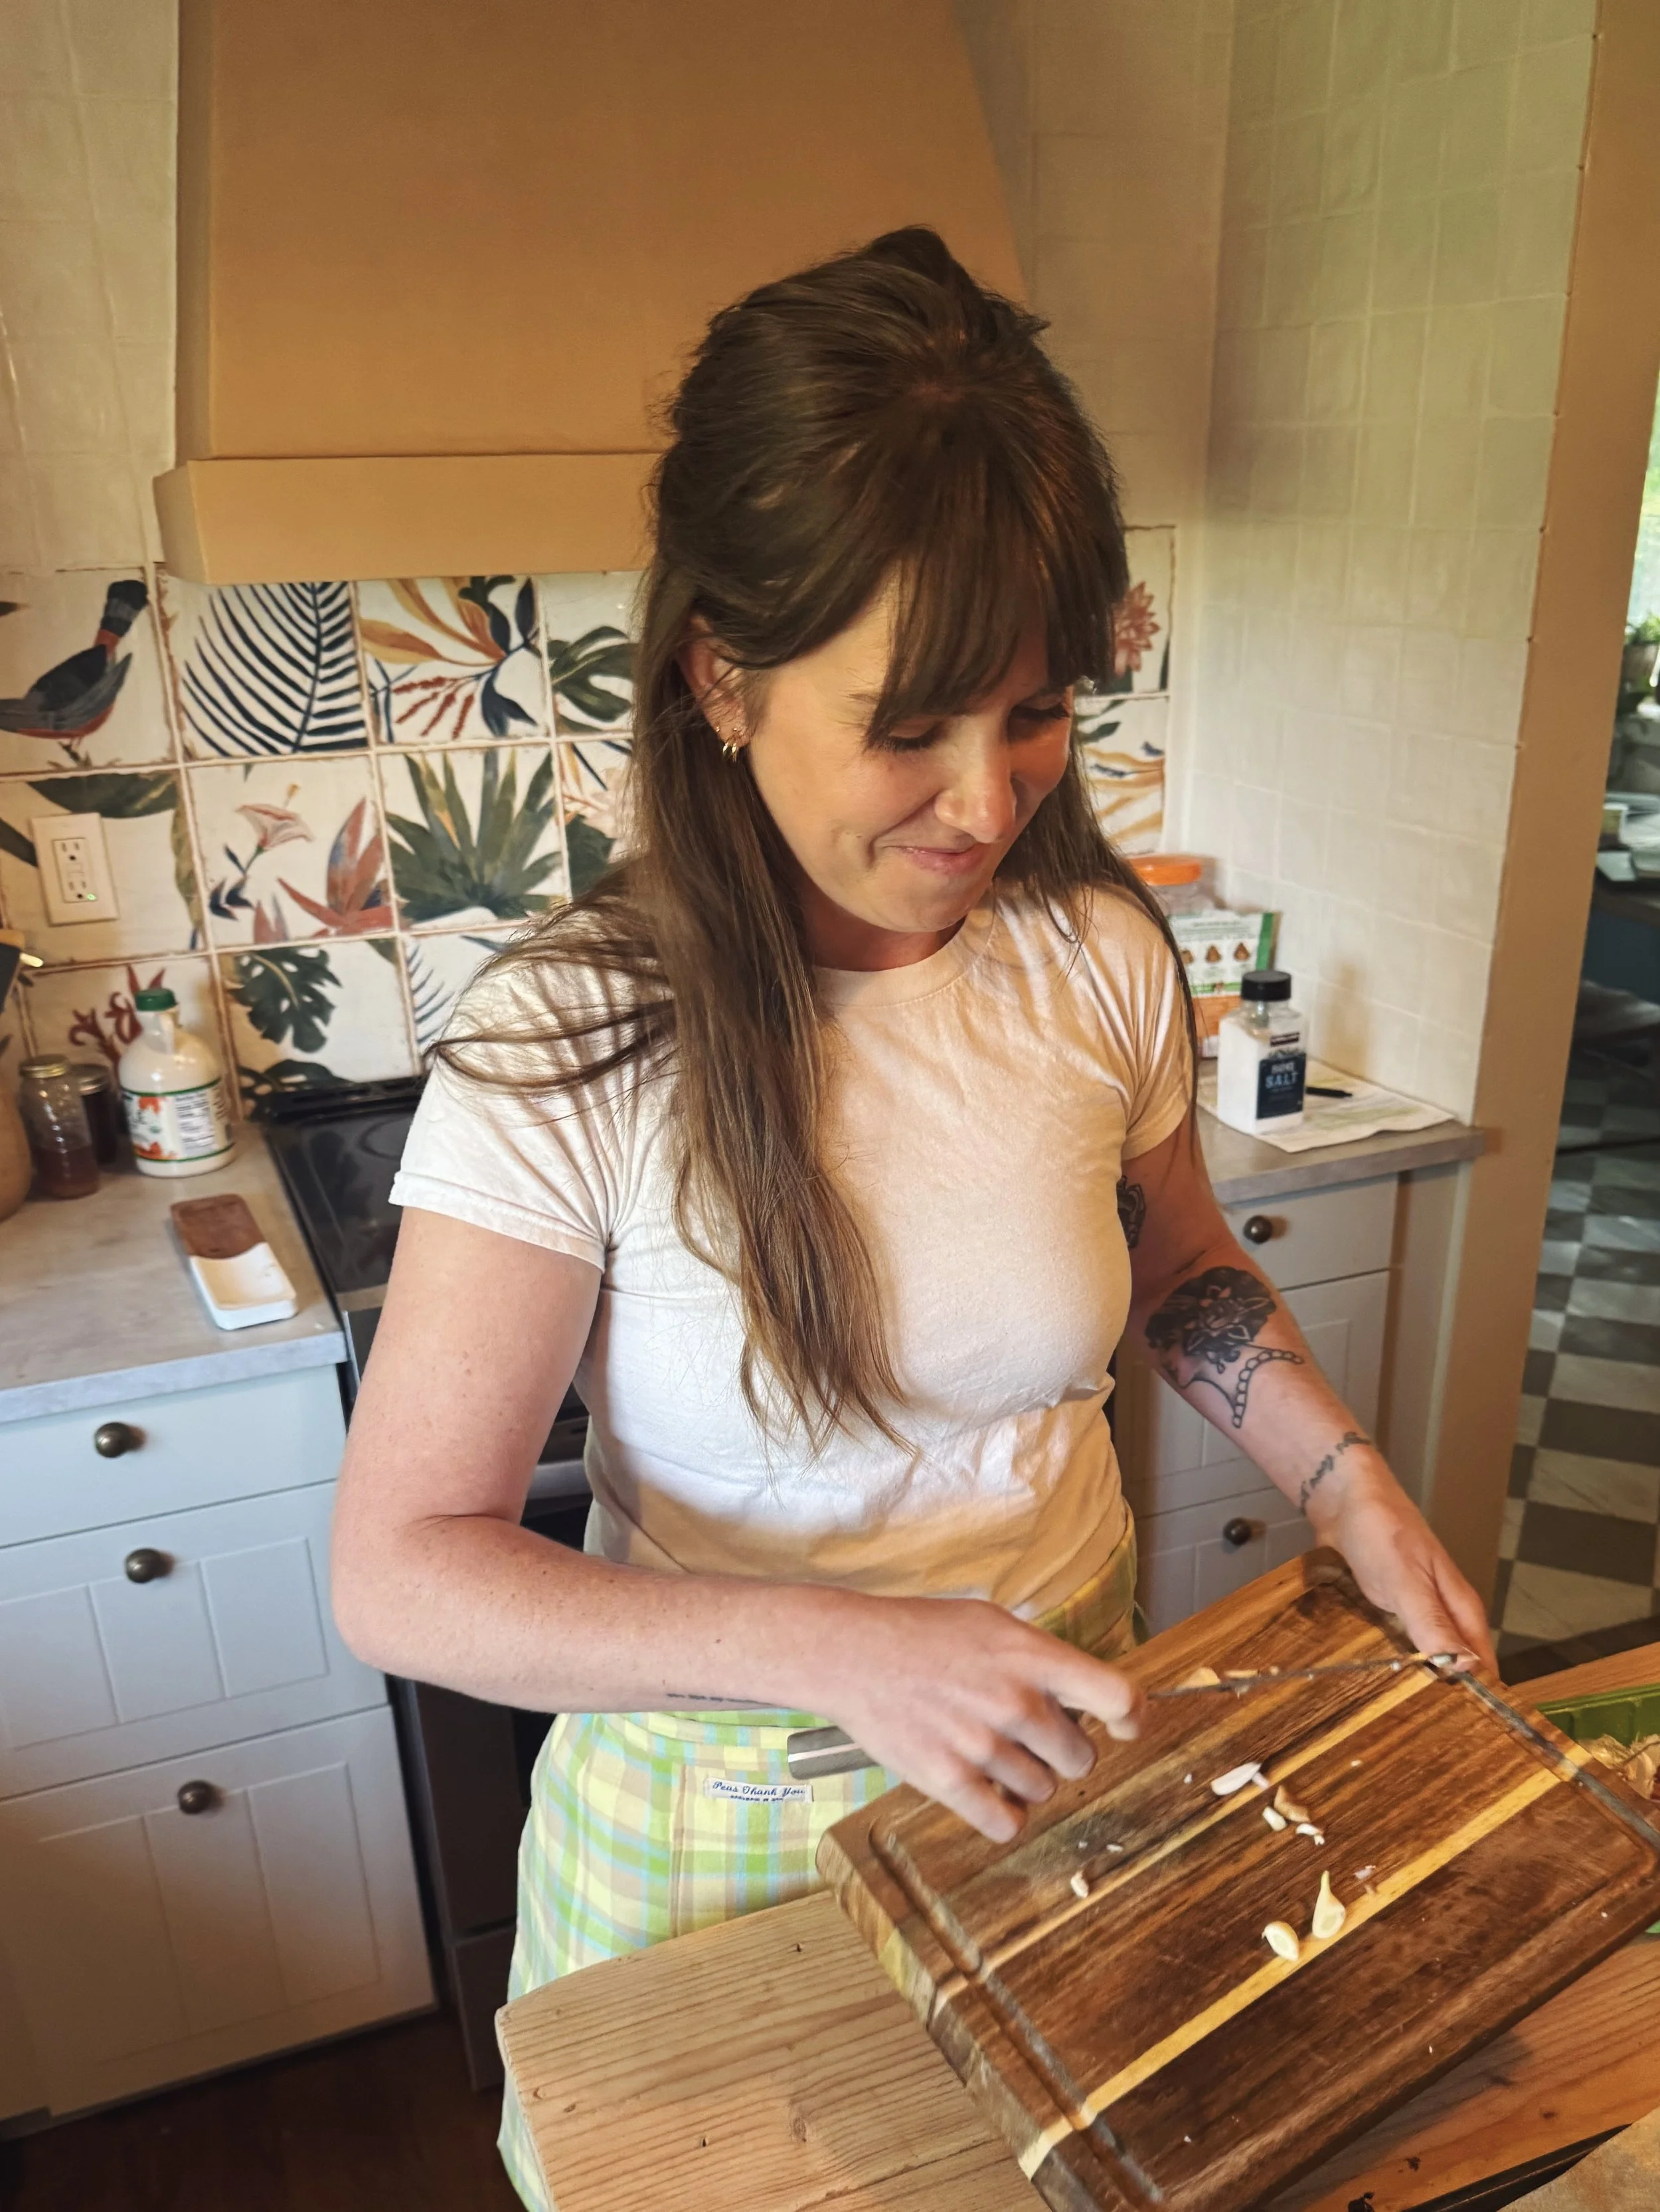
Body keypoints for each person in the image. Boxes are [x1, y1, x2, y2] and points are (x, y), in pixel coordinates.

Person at [331, 226, 1495, 2207]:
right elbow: (403, 1574)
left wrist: (1347, 1487)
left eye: (1038, 713)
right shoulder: (576, 1034)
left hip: (1058, 1769)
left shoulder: (1096, 956)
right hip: (714, 1834)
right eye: (913, 725)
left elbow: (1188, 1272)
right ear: (718, 672)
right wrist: (847, 1655)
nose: (987, 800)